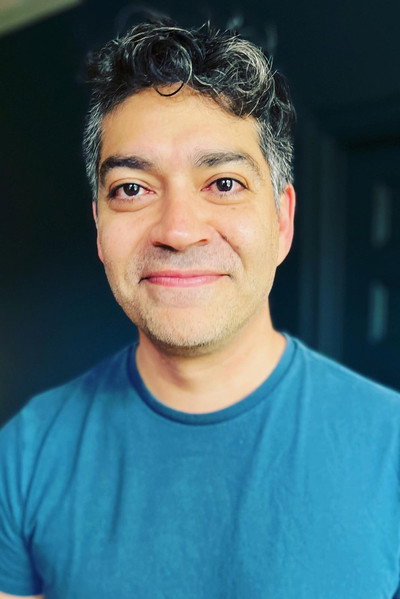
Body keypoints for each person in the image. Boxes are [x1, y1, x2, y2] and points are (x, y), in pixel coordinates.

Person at [1, 17, 400, 599]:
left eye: (224, 183)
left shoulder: (391, 446)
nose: (179, 230)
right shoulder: (25, 454)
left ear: (282, 220)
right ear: (99, 227)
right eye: (132, 189)